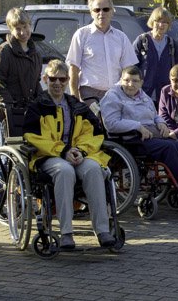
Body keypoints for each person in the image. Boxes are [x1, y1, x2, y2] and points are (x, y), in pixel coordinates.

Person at [22, 60, 116, 249]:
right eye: (52, 79)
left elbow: (94, 133)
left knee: (93, 169)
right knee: (65, 171)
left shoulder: (76, 105)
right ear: (44, 79)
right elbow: (34, 137)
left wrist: (80, 151)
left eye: (62, 79)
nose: (57, 83)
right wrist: (63, 151)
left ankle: (103, 230)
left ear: (67, 81)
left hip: (77, 153)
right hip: (48, 156)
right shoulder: (36, 106)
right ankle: (66, 233)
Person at [103, 66, 178, 209]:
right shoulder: (113, 96)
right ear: (120, 80)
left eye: (135, 81)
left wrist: (161, 123)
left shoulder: (141, 95)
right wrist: (137, 126)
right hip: (130, 139)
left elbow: (155, 115)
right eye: (126, 80)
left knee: (177, 145)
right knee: (170, 147)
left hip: (149, 135)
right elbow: (111, 124)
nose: (130, 84)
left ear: (141, 82)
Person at [66, 0, 138, 103]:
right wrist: (75, 98)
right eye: (97, 10)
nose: (101, 13)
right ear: (91, 13)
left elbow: (129, 70)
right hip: (89, 94)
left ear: (112, 11)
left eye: (105, 9)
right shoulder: (81, 35)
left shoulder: (121, 37)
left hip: (116, 94)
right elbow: (73, 69)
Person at [0, 7, 42, 142]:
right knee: (7, 156)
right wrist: (10, 106)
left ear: (30, 25)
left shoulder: (35, 53)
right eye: (17, 28)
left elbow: (36, 82)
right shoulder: (3, 51)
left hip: (28, 113)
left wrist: (43, 102)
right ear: (10, 29)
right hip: (7, 114)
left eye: (25, 27)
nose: (23, 32)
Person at [134, 6, 178, 102]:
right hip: (143, 93)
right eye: (158, 21)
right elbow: (132, 68)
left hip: (165, 94)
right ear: (152, 22)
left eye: (165, 22)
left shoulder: (172, 44)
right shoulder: (142, 41)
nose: (161, 25)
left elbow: (177, 69)